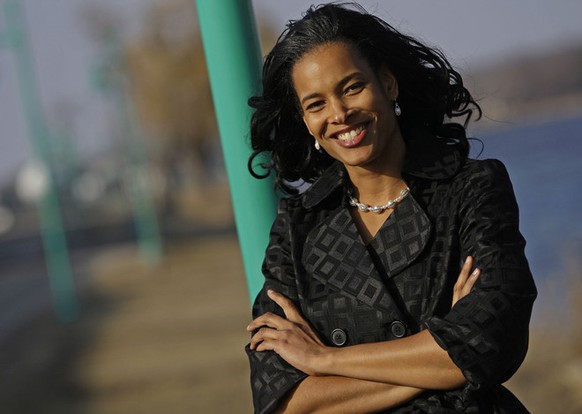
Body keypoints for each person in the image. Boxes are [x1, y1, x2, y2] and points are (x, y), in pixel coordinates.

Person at [245, 3, 537, 413]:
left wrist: (324, 360)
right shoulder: (297, 227)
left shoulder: (472, 188)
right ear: (306, 122)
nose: (340, 114)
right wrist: (440, 357)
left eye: (351, 87)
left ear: (388, 84)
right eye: (316, 104)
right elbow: (286, 402)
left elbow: (490, 344)